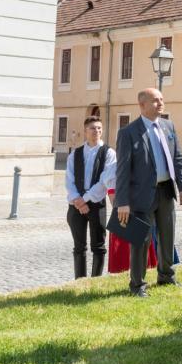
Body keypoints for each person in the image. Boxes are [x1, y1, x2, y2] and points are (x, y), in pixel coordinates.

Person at [115, 88, 182, 297]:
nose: (160, 104)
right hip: (140, 196)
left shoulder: (168, 126)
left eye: (162, 100)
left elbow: (178, 158)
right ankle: (137, 285)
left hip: (166, 191)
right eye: (155, 101)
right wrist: (122, 202)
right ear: (142, 105)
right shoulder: (128, 133)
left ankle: (166, 275)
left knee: (167, 235)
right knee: (141, 240)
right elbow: (122, 170)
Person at [64, 116, 116, 279]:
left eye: (99, 128)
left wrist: (85, 199)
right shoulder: (75, 154)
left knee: (98, 246)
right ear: (85, 131)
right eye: (93, 128)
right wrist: (78, 201)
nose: (97, 131)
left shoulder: (108, 152)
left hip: (96, 203)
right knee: (79, 246)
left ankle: (95, 281)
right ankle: (79, 280)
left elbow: (104, 180)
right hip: (76, 204)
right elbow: (69, 179)